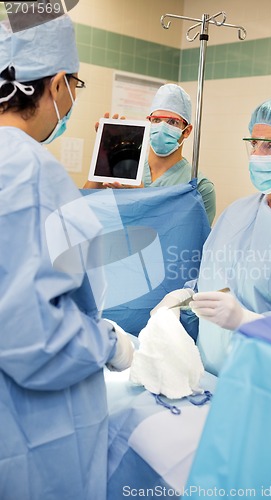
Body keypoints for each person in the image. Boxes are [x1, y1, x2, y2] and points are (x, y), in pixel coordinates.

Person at [0, 14, 133, 500]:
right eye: (74, 84)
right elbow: (32, 338)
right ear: (57, 85)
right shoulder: (27, 169)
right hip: (27, 430)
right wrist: (107, 342)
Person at [154, 98, 271, 375]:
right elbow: (214, 278)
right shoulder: (238, 211)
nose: (257, 155)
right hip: (208, 377)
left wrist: (244, 320)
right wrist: (188, 296)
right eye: (253, 144)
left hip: (266, 384)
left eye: (269, 146)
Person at [84, 83, 216, 225]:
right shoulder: (127, 167)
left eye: (173, 122)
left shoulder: (200, 187)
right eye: (156, 120)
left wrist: (142, 197)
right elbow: (83, 207)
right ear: (149, 122)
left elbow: (189, 241)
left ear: (187, 131)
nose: (161, 127)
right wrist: (104, 154)